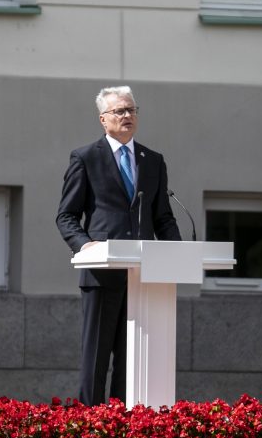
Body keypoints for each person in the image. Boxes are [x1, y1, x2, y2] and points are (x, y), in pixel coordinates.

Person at [56, 86, 181, 406]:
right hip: (102, 273)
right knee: (96, 357)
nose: (127, 116)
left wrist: (176, 253)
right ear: (103, 119)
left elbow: (163, 218)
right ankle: (89, 423)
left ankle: (124, 422)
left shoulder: (152, 161)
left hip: (145, 278)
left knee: (133, 360)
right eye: (120, 111)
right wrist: (85, 247)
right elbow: (67, 216)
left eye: (132, 110)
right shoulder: (85, 158)